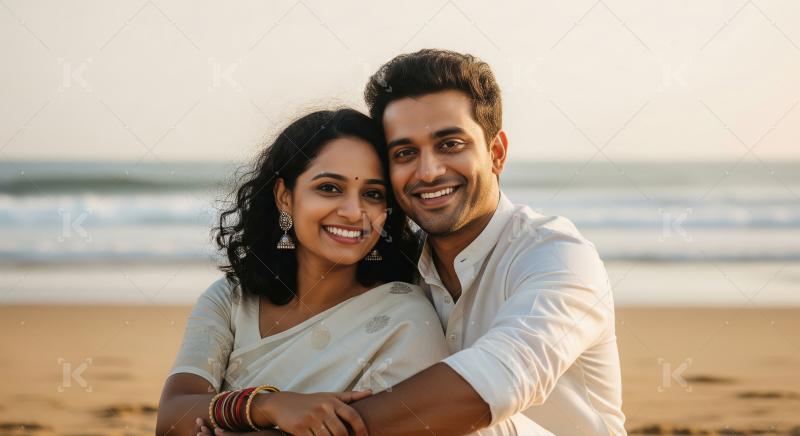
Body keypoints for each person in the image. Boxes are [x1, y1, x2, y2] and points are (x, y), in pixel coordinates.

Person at [206, 49, 626, 435]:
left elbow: (495, 381)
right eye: (405, 152)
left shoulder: (558, 257)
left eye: (450, 144)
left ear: (496, 152)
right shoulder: (395, 272)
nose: (427, 172)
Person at [155, 108, 451, 436]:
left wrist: (231, 419)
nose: (354, 212)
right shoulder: (232, 300)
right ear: (285, 196)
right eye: (329, 188)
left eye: (372, 194)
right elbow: (172, 416)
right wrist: (270, 406)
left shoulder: (405, 319)